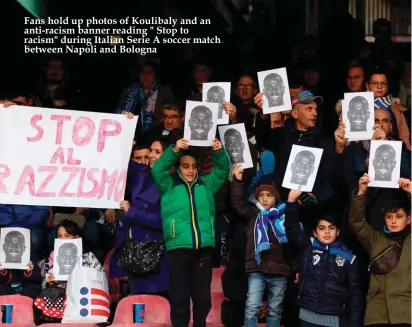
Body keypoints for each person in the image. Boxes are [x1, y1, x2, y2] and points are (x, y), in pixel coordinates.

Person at [151, 138, 230, 327]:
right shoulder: (168, 185)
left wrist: (219, 152)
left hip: (203, 249)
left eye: (194, 166)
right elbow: (157, 170)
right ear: (178, 167)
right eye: (185, 166)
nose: (191, 170)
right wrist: (174, 149)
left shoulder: (206, 184)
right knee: (180, 298)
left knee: (203, 298)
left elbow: (222, 171)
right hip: (179, 249)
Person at [231, 164, 298, 327]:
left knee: (275, 309)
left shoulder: (284, 216)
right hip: (257, 268)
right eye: (261, 195)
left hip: (280, 270)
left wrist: (296, 268)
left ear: (276, 197)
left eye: (269, 195)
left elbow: (293, 243)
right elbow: (237, 203)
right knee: (252, 306)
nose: (265, 199)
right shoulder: (253, 214)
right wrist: (237, 181)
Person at [285, 187, 362, 327]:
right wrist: (291, 202)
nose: (327, 232)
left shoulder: (349, 257)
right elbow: (292, 229)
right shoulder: (309, 246)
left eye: (331, 228)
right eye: (322, 228)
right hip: (307, 315)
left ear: (338, 231)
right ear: (315, 233)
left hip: (335, 318)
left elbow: (355, 294)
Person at [110, 136, 172, 296]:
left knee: (157, 307)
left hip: (158, 255)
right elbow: (116, 163)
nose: (151, 155)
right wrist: (126, 140)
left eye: (157, 152)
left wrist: (132, 212)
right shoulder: (141, 173)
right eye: (151, 150)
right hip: (135, 253)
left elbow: (163, 221)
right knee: (137, 305)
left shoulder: (174, 183)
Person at [349, 174, 411, 327]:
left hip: (405, 311)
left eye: (399, 216)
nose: (394, 220)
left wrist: (411, 192)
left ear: (408, 219)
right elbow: (357, 223)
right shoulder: (375, 239)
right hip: (376, 313)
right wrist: (361, 192)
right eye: (389, 217)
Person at [40, 214, 103, 290]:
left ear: (76, 237)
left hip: (83, 295)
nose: (62, 239)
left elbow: (101, 278)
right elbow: (44, 284)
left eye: (67, 236)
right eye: (60, 236)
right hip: (59, 297)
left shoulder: (88, 257)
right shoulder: (52, 258)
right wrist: (50, 283)